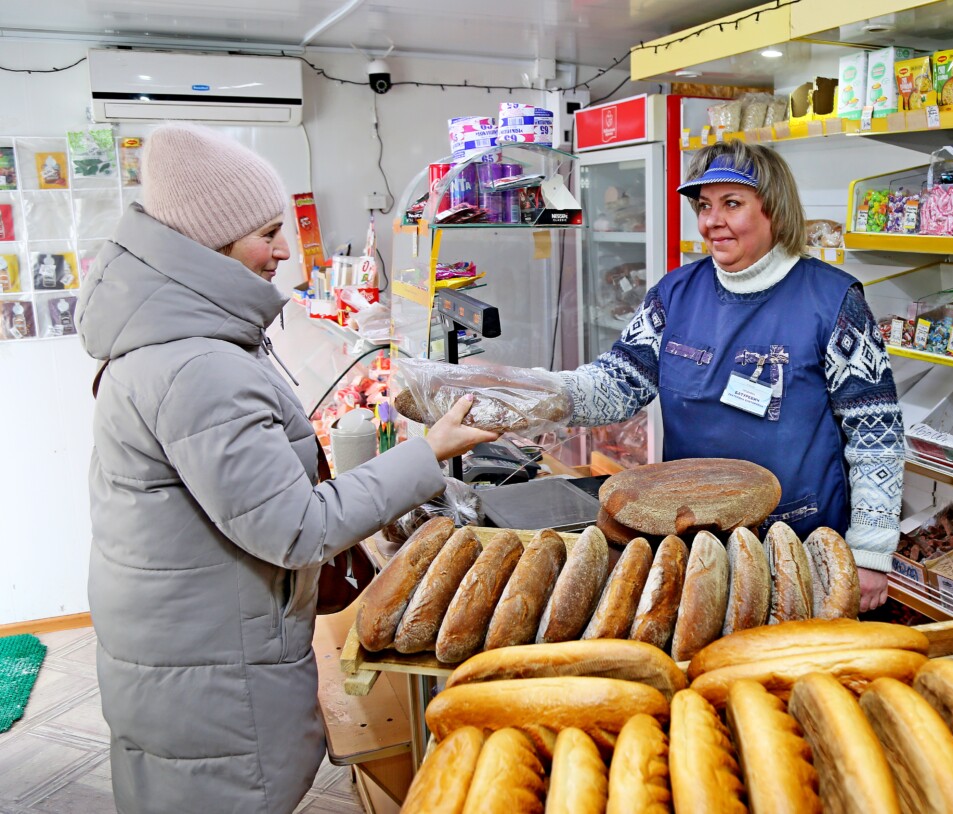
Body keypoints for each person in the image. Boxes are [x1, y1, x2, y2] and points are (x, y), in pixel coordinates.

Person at [76, 124, 496, 813]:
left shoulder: (176, 334)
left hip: (184, 645)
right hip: (213, 667)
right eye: (267, 233)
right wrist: (432, 450)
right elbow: (296, 530)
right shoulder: (198, 364)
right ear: (209, 243)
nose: (283, 250)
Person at [561, 140, 904, 612]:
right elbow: (618, 384)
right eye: (704, 206)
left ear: (774, 210)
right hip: (695, 542)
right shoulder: (675, 294)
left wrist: (870, 551)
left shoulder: (833, 301)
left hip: (800, 545)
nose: (712, 221)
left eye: (732, 203)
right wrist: (540, 396)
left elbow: (875, 434)